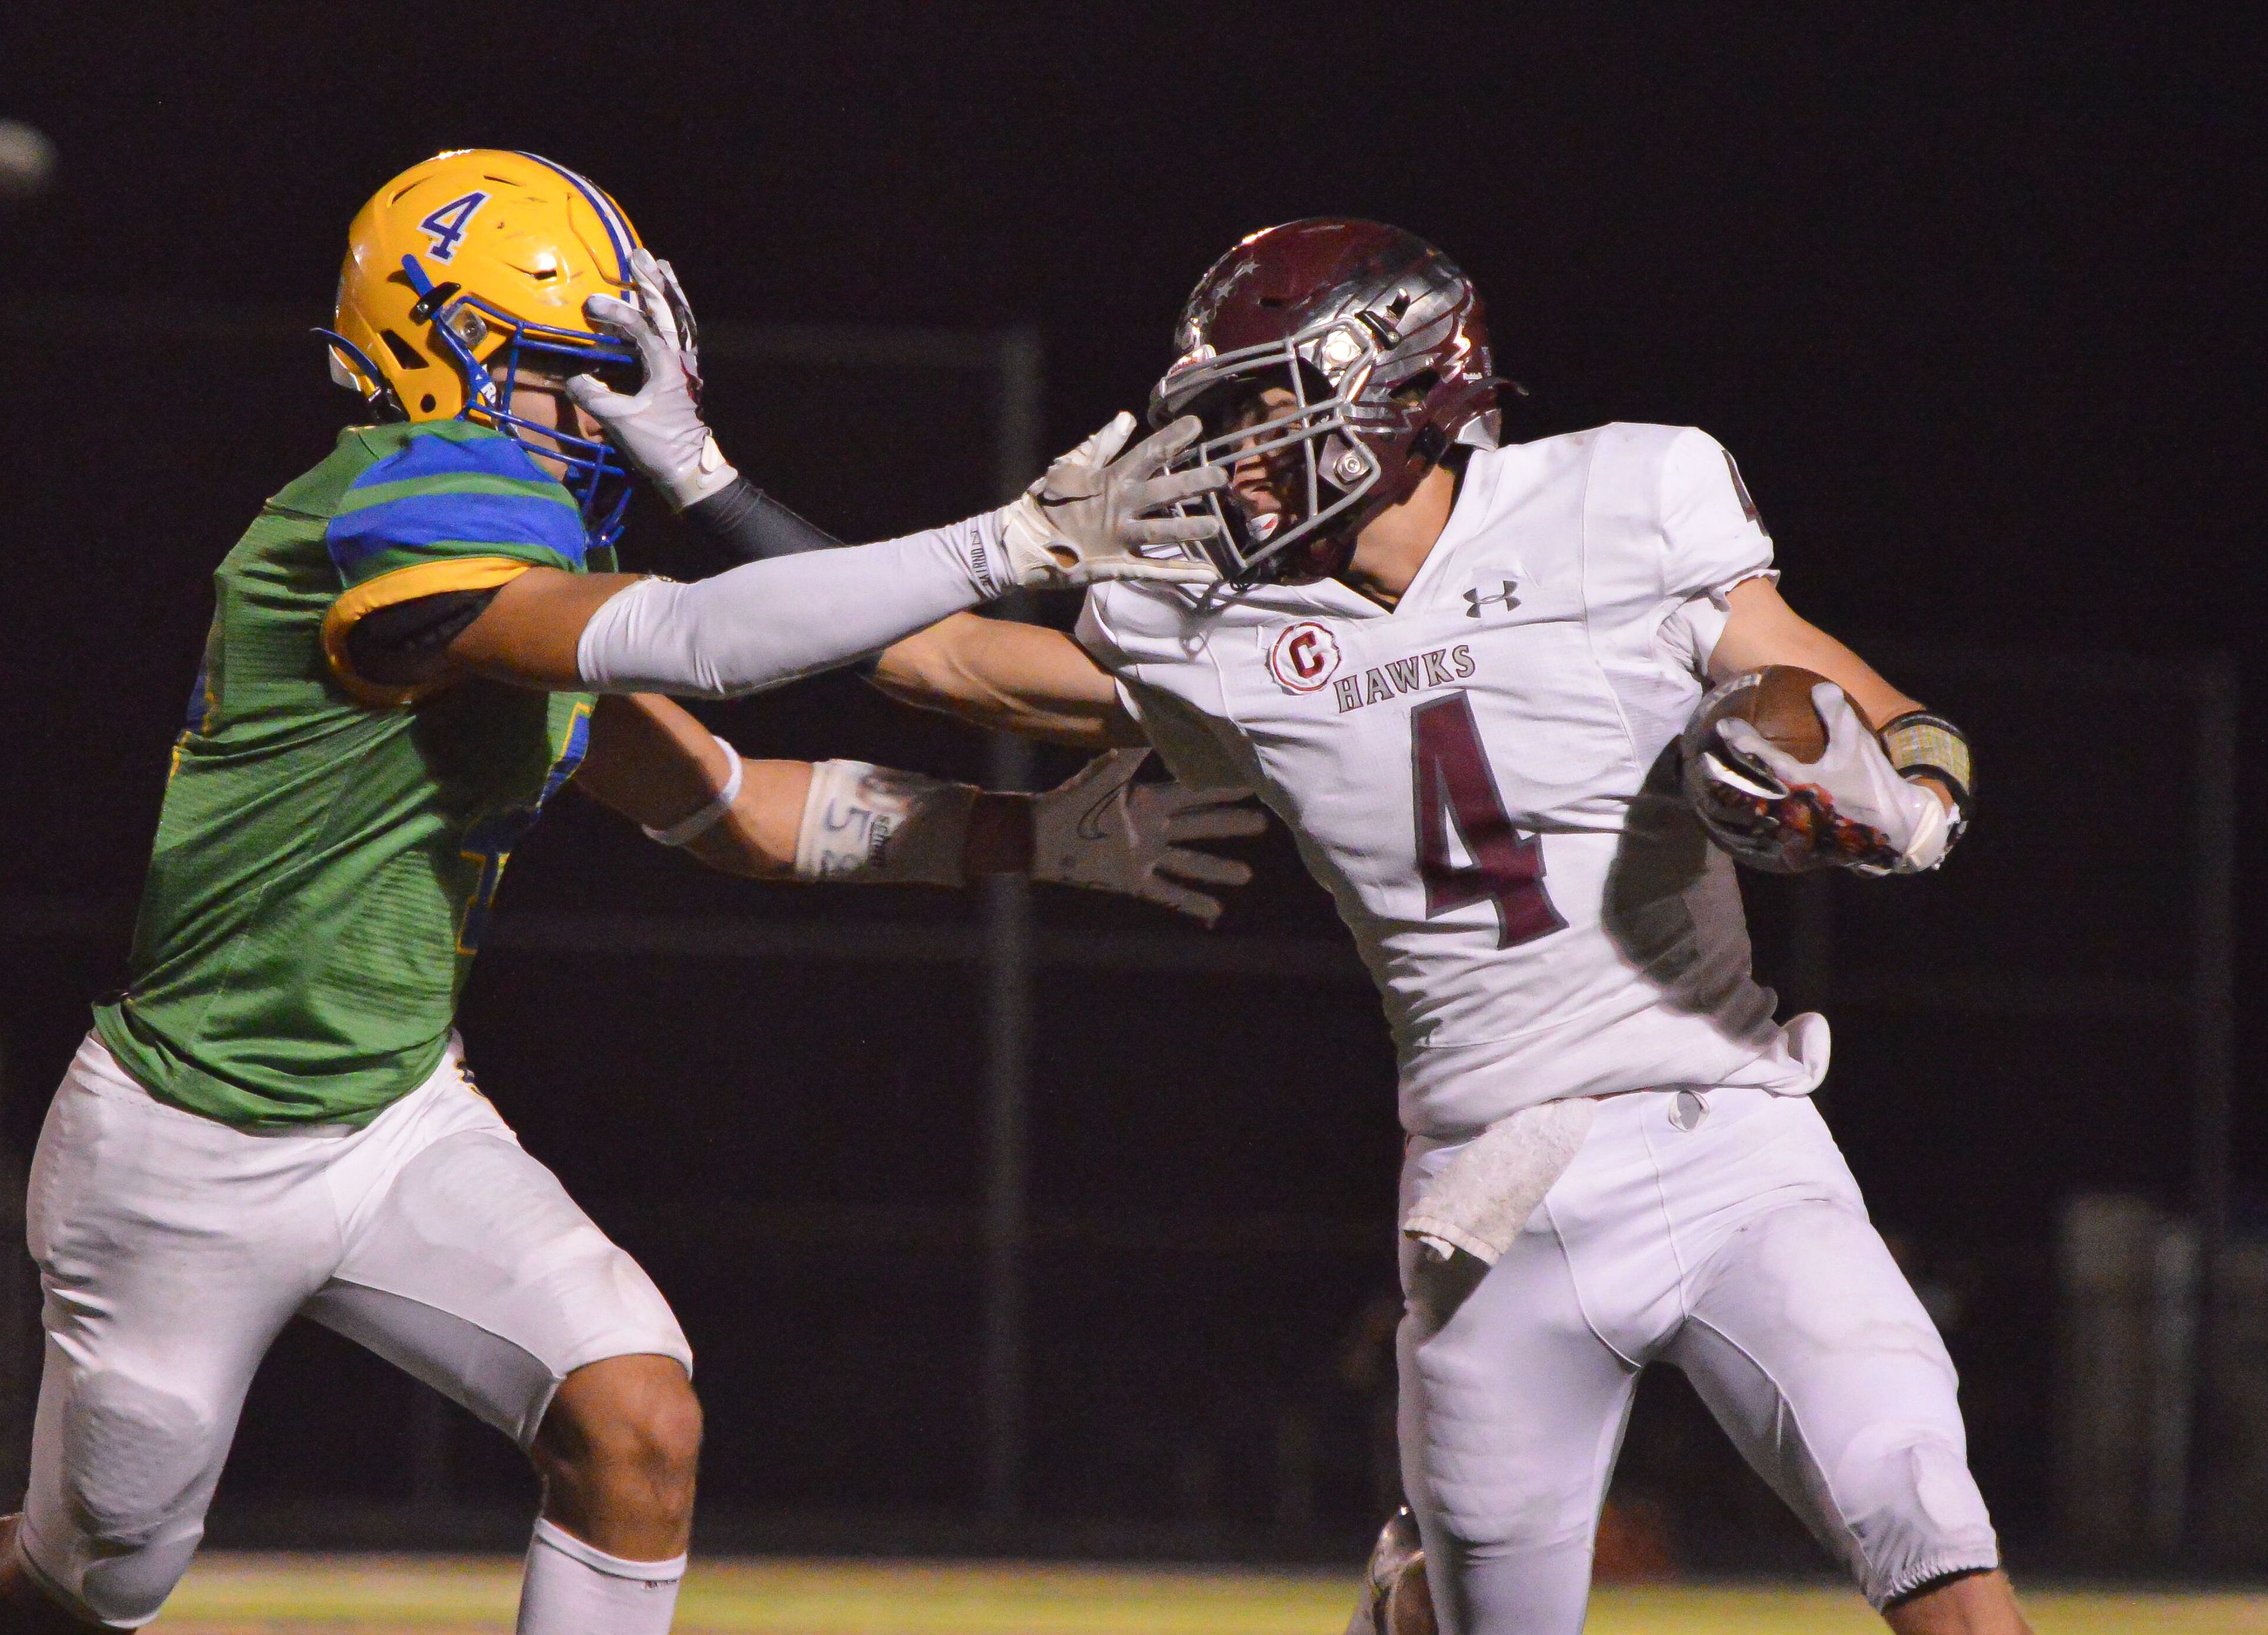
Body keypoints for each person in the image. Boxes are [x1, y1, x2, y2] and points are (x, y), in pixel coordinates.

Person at [0, 150, 1256, 1635]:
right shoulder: (386, 508)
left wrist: (1038, 836)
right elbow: (703, 640)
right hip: (189, 1144)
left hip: (394, 1115)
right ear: (445, 359)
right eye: (575, 372)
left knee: (635, 1416)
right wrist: (1005, 539)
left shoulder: (525, 565)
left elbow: (742, 806)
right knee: (78, 1584)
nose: (612, 411)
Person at [609, 218, 2023, 1635]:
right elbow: (923, 654)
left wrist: (1914, 800)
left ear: (1410, 388)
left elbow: (1884, 719)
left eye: (1264, 410)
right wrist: (700, 475)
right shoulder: (1209, 623)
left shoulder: (1625, 493)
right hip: (1491, 1200)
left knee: (1930, 1529)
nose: (1230, 455)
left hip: (1732, 1140)